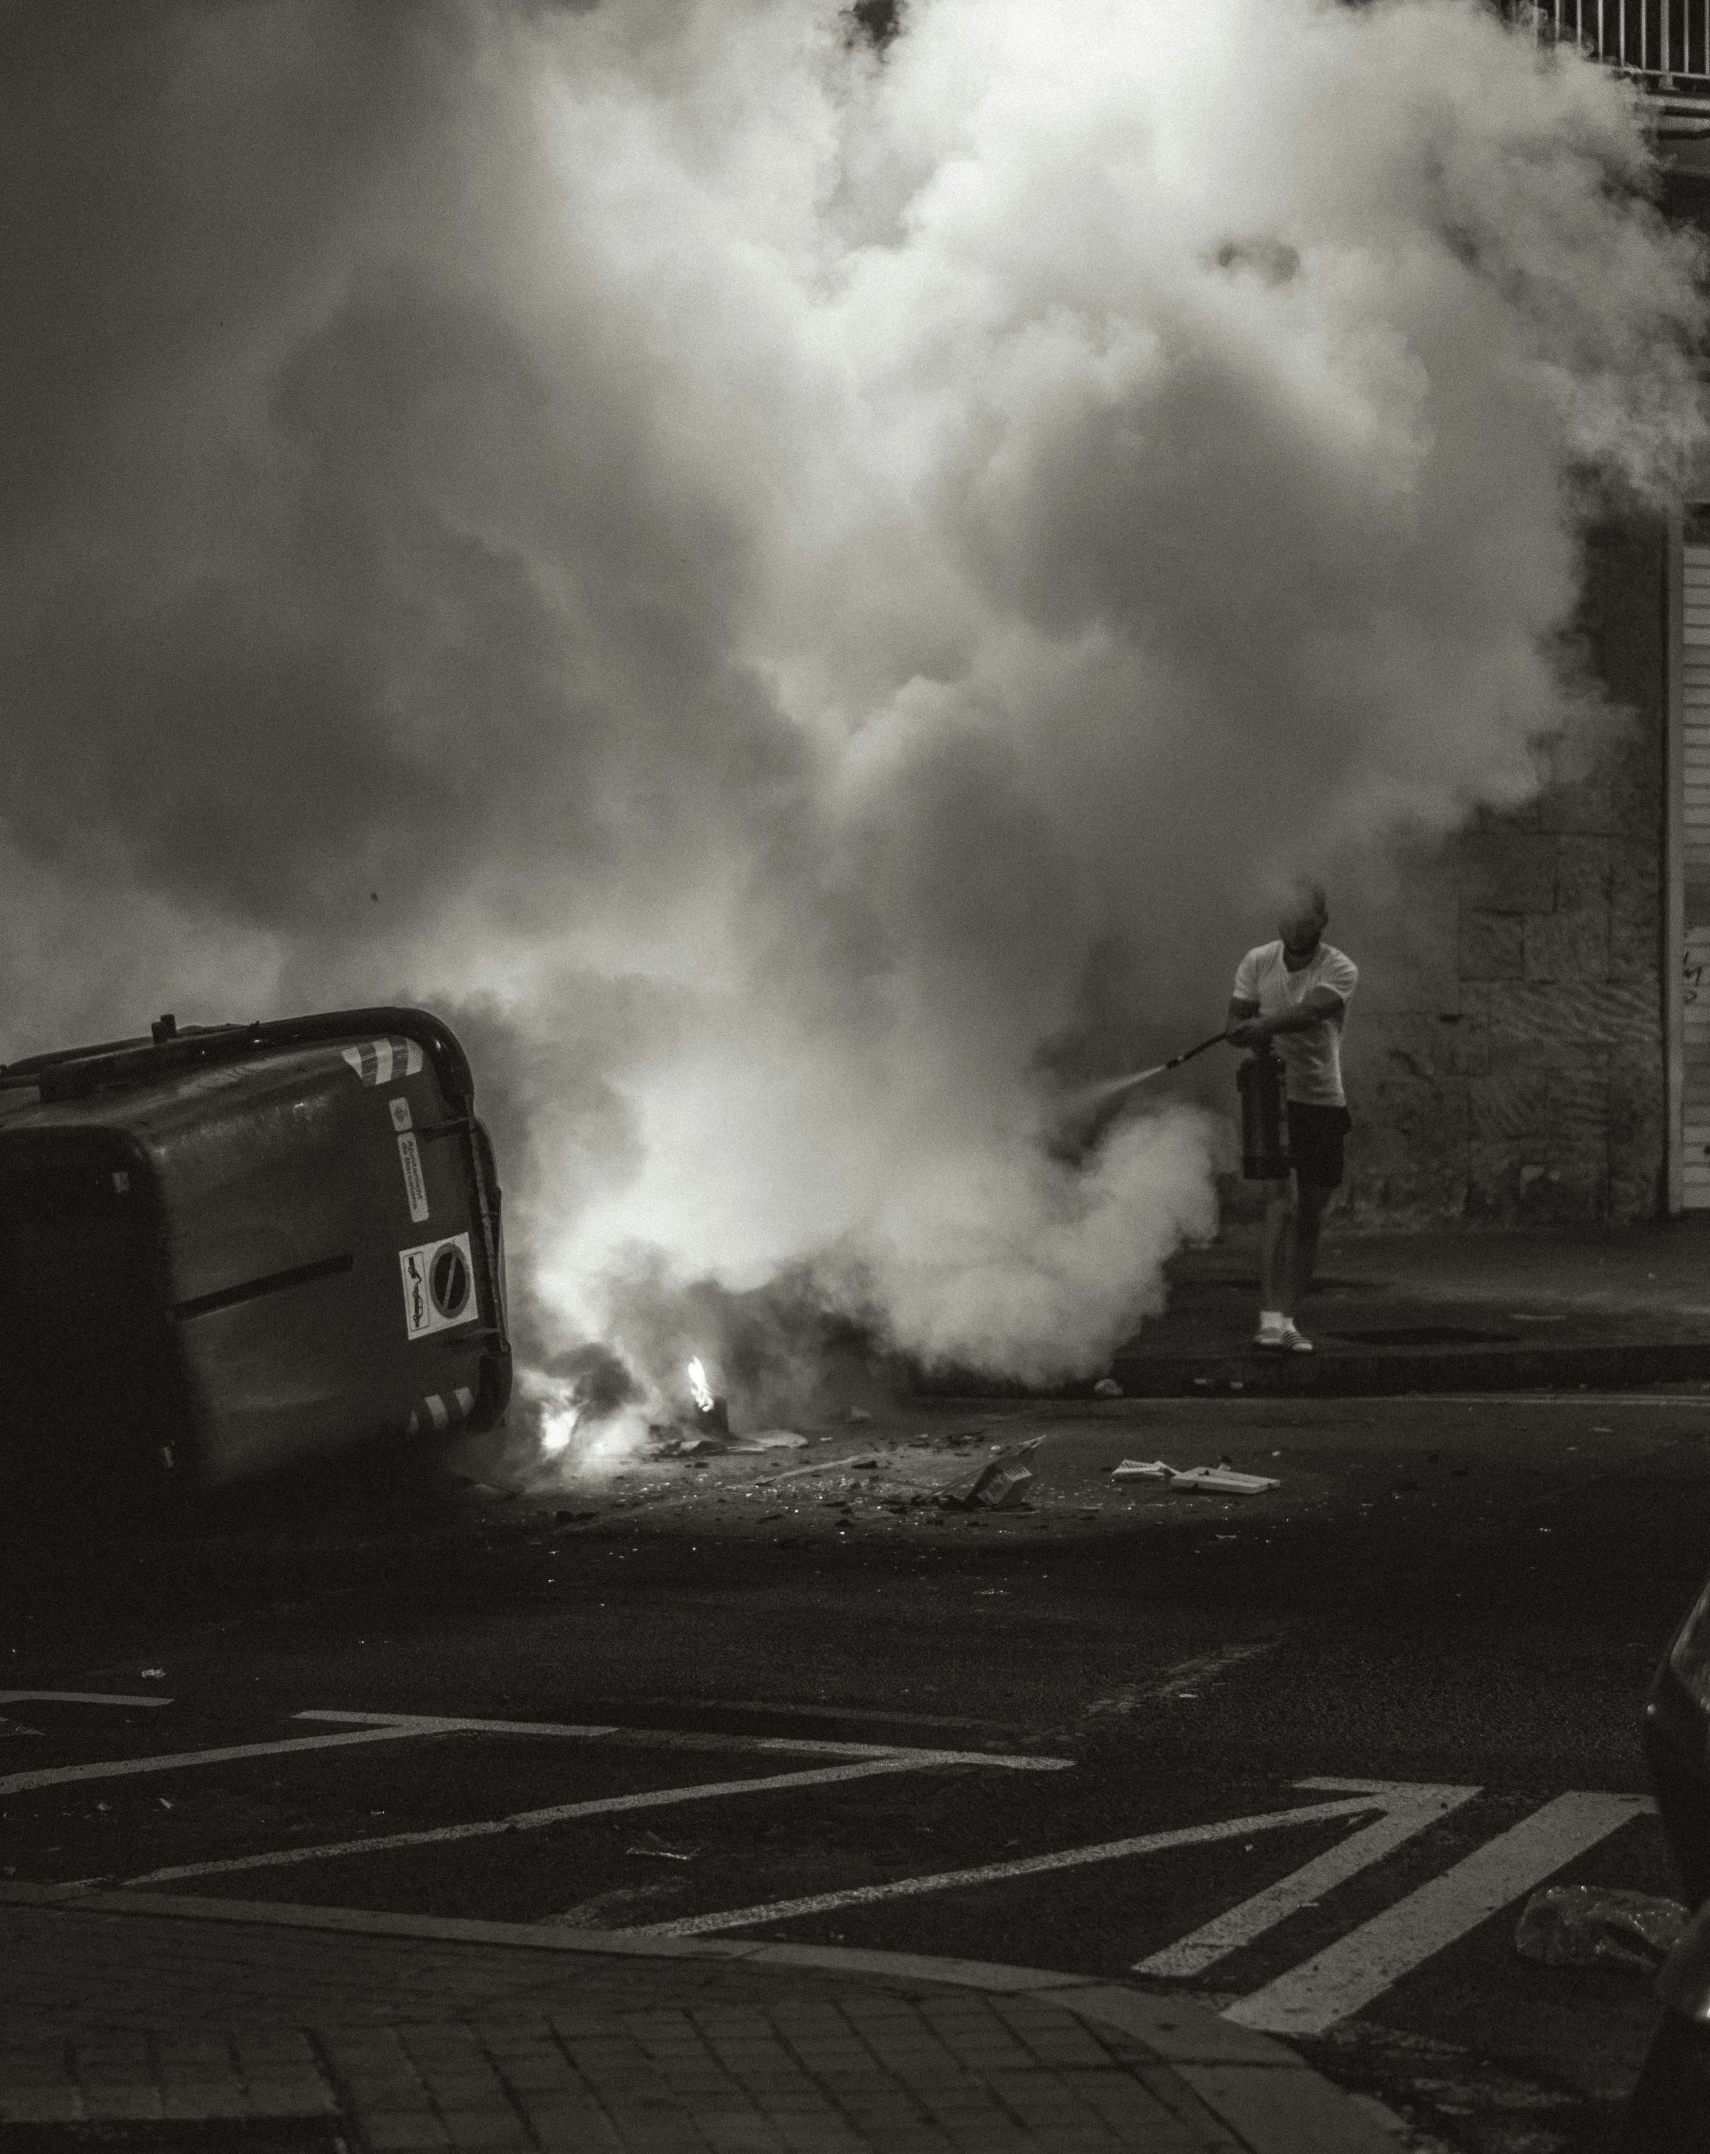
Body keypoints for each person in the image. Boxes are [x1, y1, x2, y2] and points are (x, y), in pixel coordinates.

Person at [1225, 885, 1357, 1353]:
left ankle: (1287, 1318)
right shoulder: (1258, 961)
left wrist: (1263, 1026)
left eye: (1306, 917)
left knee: (1311, 1215)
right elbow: (1236, 1021)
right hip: (1272, 1098)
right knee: (1282, 1203)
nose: (1296, 924)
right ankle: (1267, 1317)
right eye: (1288, 915)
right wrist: (1244, 1032)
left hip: (1321, 1099)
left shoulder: (1339, 968)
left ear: (1323, 919)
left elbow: (1311, 1012)